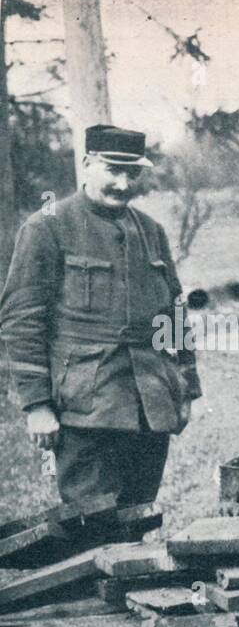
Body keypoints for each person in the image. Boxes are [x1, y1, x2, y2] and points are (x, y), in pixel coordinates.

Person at [0, 124, 200, 507]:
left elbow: (175, 314)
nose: (123, 183)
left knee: (139, 518)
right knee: (90, 524)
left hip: (150, 404)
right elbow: (21, 319)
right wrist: (37, 405)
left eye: (132, 173)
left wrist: (186, 387)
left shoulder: (151, 231)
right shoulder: (47, 227)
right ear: (87, 163)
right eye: (112, 170)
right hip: (85, 408)